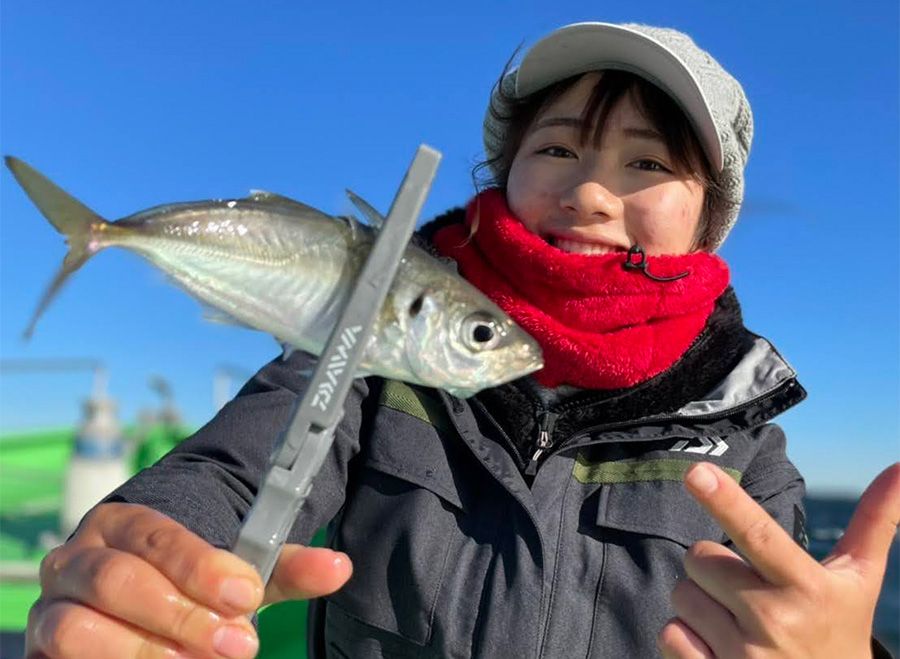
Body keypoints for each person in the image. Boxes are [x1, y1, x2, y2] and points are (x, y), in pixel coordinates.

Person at [25, 21, 898, 659]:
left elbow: (792, 616)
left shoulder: (744, 430)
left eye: (647, 163)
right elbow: (233, 467)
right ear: (505, 174)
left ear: (709, 221)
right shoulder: (375, 344)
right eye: (558, 148)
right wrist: (148, 552)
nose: (592, 193)